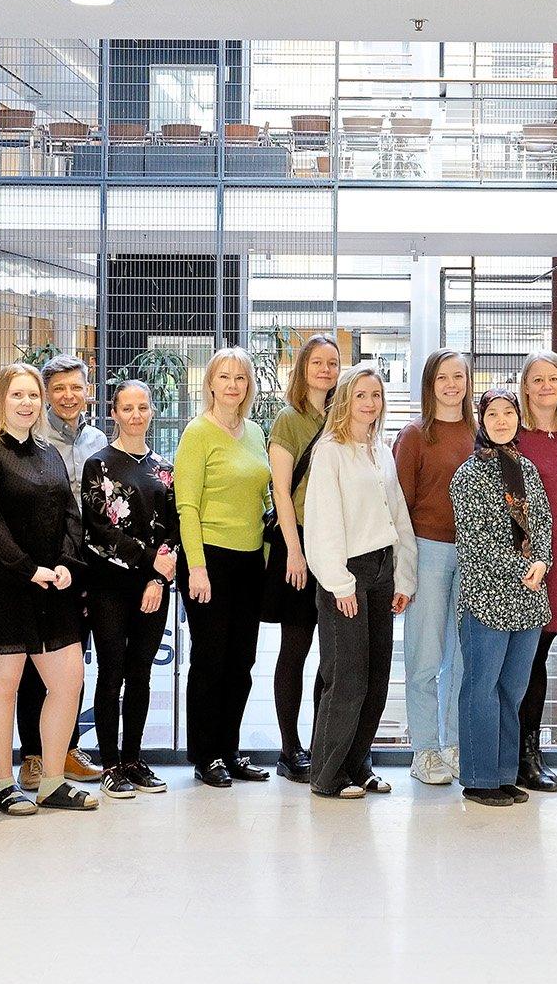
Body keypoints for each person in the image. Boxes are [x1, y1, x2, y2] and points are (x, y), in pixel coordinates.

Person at [0, 363, 94, 815]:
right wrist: (28, 569)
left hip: (53, 588)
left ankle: (52, 779)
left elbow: (70, 516)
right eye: (17, 395)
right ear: (1, 399)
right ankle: (3, 783)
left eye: (33, 396)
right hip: (3, 587)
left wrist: (65, 565)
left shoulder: (49, 454)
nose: (27, 403)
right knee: (3, 687)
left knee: (68, 682)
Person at [303, 363, 418, 799]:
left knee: (376, 675)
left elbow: (397, 517)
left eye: (376, 395)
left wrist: (404, 575)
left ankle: (358, 764)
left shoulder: (380, 449)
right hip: (345, 574)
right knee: (345, 676)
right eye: (362, 395)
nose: (370, 403)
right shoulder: (330, 450)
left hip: (383, 570)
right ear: (346, 399)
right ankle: (327, 774)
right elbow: (322, 522)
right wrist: (339, 582)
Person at [173, 346, 274, 787]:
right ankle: (205, 753)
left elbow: (263, 495)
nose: (233, 385)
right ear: (210, 383)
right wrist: (196, 567)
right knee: (210, 659)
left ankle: (229, 750)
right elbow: (186, 506)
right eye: (225, 377)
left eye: (241, 379)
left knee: (242, 661)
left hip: (250, 560)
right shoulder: (197, 433)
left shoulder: (254, 431)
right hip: (209, 559)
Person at [450, 389, 552, 807]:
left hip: (528, 599)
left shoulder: (526, 469)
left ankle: (504, 773)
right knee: (482, 687)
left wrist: (541, 562)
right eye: (493, 413)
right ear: (482, 421)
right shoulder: (468, 475)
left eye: (509, 412)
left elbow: (543, 522)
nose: (502, 420)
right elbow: (476, 540)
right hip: (487, 599)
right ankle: (478, 778)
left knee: (512, 689)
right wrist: (520, 569)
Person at [82, 380, 181, 799]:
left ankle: (134, 759)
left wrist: (159, 579)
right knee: (112, 673)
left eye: (143, 407)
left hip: (153, 590)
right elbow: (96, 531)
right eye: (127, 407)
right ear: (114, 413)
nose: (136, 414)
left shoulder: (165, 469)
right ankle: (109, 764)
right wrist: (147, 564)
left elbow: (174, 531)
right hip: (109, 586)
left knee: (141, 675)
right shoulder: (99, 464)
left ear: (152, 411)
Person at [16, 354, 110, 790]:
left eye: (76, 387)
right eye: (59, 389)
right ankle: (33, 756)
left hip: (86, 567)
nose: (68, 396)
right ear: (47, 394)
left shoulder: (97, 441)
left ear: (88, 390)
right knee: (37, 665)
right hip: (43, 565)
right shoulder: (35, 438)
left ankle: (66, 748)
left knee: (74, 664)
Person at [394, 348, 474, 785]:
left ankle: (455, 744)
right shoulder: (414, 435)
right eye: (442, 377)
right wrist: (402, 567)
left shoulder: (480, 433)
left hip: (473, 556)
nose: (450, 384)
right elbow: (400, 505)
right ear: (430, 383)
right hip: (427, 551)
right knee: (425, 656)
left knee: (462, 659)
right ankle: (424, 749)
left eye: (458, 376)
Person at [265, 333, 340, 781]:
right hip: (298, 545)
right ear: (302, 368)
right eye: (318, 362)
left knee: (331, 653)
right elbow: (281, 489)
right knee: (295, 649)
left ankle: (320, 743)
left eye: (333, 363)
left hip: (335, 546)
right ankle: (290, 748)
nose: (326, 370)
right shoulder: (288, 421)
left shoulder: (343, 418)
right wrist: (295, 550)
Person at [513, 350, 557, 793]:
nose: (545, 386)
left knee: (540, 653)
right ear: (525, 387)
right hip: (525, 559)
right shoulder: (512, 435)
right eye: (536, 379)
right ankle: (520, 754)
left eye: (553, 378)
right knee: (524, 655)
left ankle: (529, 750)